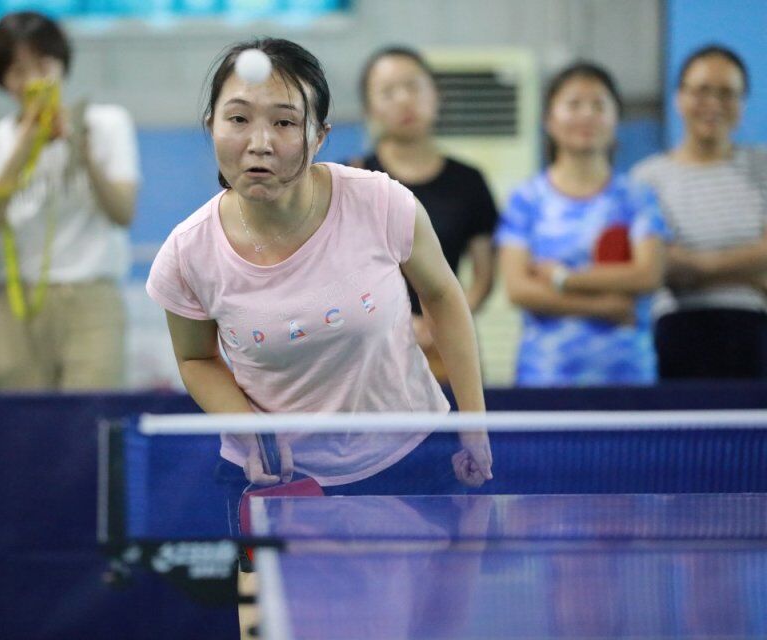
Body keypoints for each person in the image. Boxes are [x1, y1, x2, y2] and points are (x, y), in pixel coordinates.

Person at [146, 38, 492, 502]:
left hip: (412, 457)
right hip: (280, 477)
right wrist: (252, 432)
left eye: (285, 122)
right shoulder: (188, 252)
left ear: (319, 136)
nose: (259, 143)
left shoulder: (381, 202)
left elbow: (443, 296)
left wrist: (473, 422)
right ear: (212, 126)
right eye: (239, 119)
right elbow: (196, 359)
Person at [0, 11, 140, 391]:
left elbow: (123, 212)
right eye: (17, 70)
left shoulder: (106, 124)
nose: (32, 81)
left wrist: (83, 149)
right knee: (23, 420)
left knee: (93, 416)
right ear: (2, 79)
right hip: (16, 303)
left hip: (91, 298)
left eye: (42, 65)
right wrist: (24, 148)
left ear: (62, 64)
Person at [496, 62, 667, 386]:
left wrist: (562, 278)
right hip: (544, 376)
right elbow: (518, 289)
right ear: (549, 120)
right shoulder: (526, 199)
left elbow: (648, 274)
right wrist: (606, 306)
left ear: (616, 119)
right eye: (574, 104)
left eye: (599, 105)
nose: (587, 114)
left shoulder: (637, 196)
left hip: (628, 376)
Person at [351, 46, 499, 381]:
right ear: (369, 108)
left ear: (436, 94)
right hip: (371, 352)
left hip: (447, 348)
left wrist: (441, 321)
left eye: (413, 86)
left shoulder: (469, 181)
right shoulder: (352, 180)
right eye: (388, 92)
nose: (404, 100)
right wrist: (399, 324)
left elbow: (484, 277)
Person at [632, 46, 767, 379]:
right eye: (702, 91)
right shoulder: (647, 178)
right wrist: (751, 274)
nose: (714, 104)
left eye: (727, 93)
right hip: (677, 332)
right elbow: (659, 265)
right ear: (679, 97)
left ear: (742, 103)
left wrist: (695, 267)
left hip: (755, 331)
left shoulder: (763, 165)